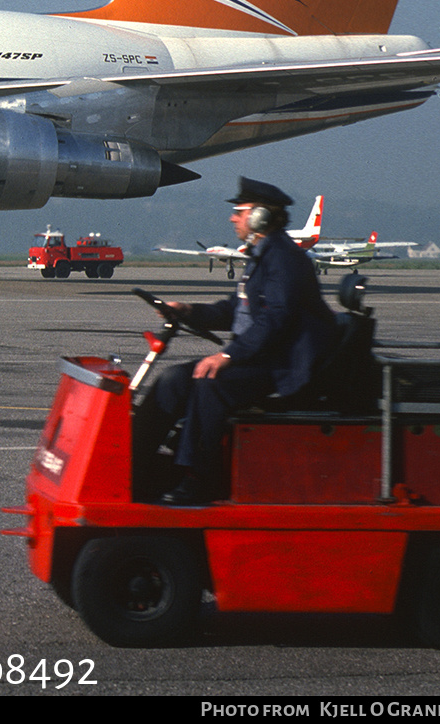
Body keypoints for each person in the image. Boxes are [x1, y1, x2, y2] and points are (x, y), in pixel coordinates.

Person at [135, 178, 338, 505]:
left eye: (239, 212)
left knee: (209, 381)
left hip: (283, 366)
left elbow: (277, 317)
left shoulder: (284, 258)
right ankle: (132, 464)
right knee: (173, 380)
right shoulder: (261, 256)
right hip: (259, 358)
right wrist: (189, 310)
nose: (232, 218)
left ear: (259, 217)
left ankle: (198, 479)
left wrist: (228, 356)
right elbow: (236, 310)